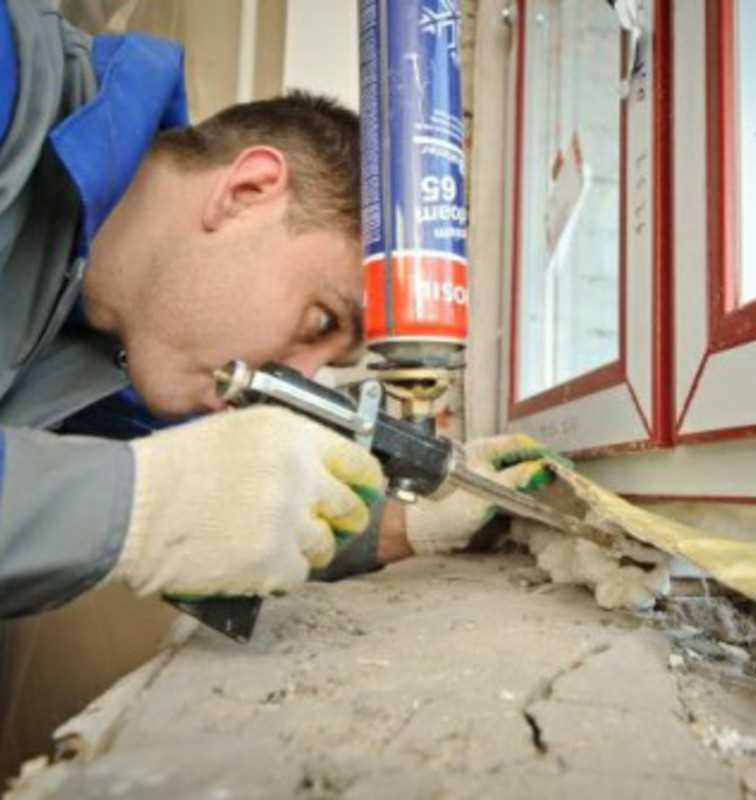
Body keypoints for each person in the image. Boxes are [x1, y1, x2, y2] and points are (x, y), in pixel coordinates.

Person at [0, 0, 548, 618]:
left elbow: (234, 503)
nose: (303, 377)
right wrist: (136, 506)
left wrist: (416, 522)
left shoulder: (121, 353)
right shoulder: (8, 77)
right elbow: (154, 497)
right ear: (247, 192)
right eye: (320, 321)